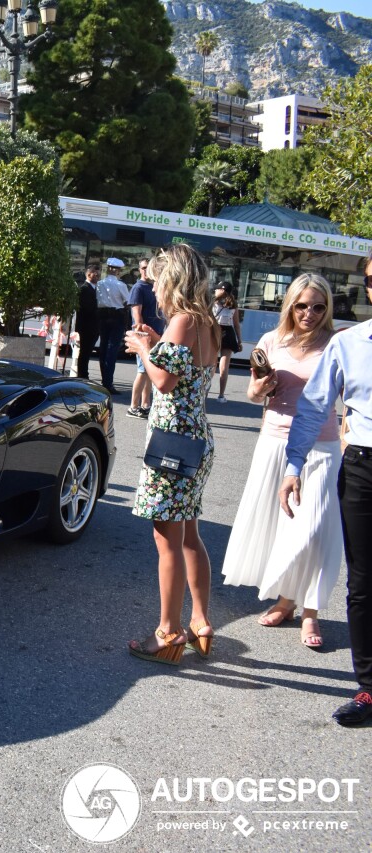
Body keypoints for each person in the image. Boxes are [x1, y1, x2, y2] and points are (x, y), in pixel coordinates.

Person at [278, 252, 372, 727]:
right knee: (363, 582)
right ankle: (369, 690)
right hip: (363, 467)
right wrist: (293, 465)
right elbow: (314, 407)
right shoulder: (349, 344)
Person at [223, 274, 340, 650]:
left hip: (322, 447)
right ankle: (287, 600)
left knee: (315, 531)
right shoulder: (272, 341)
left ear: (328, 309)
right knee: (281, 527)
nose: (310, 313)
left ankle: (311, 611)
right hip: (274, 441)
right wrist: (260, 387)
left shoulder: (337, 344)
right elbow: (254, 394)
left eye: (318, 306)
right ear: (290, 305)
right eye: (302, 305)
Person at [124, 243, 220, 666]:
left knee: (167, 543)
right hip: (196, 438)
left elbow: (163, 382)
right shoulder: (207, 322)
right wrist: (157, 341)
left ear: (174, 280)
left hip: (172, 443)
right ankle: (200, 621)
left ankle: (168, 632)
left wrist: (144, 350)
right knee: (189, 535)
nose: (155, 288)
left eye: (159, 279)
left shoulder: (183, 320)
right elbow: (186, 369)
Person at [126, 256, 165, 419]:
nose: (146, 271)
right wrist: (141, 336)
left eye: (148, 267)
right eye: (143, 268)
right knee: (142, 371)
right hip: (145, 336)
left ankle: (145, 404)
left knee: (150, 371)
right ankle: (133, 407)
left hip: (156, 334)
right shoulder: (138, 288)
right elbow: (136, 315)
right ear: (139, 269)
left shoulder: (154, 286)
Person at [96, 257, 131, 394]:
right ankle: (108, 383)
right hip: (116, 316)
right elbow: (127, 301)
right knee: (112, 350)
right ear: (118, 271)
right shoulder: (121, 285)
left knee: (103, 348)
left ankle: (104, 379)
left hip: (102, 315)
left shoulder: (100, 284)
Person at [213, 281, 242, 401]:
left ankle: (204, 392)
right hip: (228, 333)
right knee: (224, 367)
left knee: (211, 365)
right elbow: (236, 324)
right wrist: (239, 340)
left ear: (220, 290)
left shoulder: (212, 303)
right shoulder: (233, 305)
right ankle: (221, 395)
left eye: (217, 289)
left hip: (214, 332)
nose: (215, 291)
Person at [74, 267, 99, 380]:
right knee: (84, 353)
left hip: (92, 327)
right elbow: (87, 309)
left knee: (87, 353)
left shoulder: (94, 288)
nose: (97, 275)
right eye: (95, 273)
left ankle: (83, 374)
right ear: (88, 275)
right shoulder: (84, 289)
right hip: (87, 327)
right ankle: (82, 376)